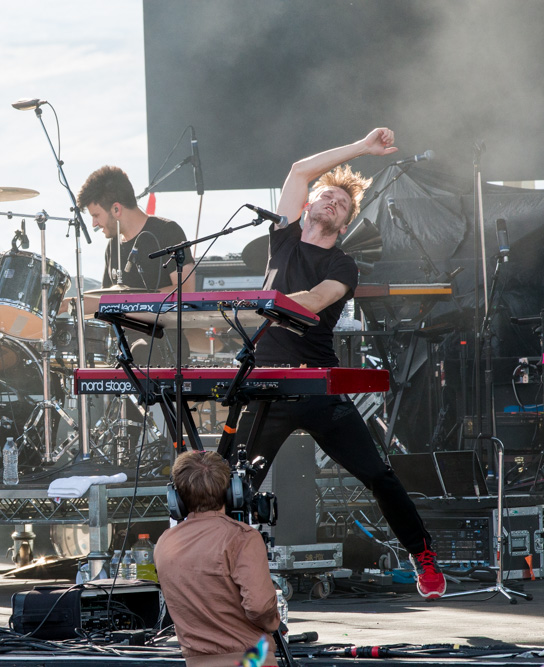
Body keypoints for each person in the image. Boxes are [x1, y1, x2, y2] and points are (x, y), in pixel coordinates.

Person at [230, 128, 446, 599]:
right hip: (268, 386)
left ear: (345, 224)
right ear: (307, 206)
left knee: (378, 474)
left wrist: (262, 303)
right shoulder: (282, 241)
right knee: (232, 483)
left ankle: (422, 553)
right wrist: (362, 149)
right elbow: (298, 171)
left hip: (319, 388)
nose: (331, 201)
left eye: (342, 204)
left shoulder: (343, 265)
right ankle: (214, 569)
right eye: (326, 196)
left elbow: (313, 301)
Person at [155, 450, 280, 667]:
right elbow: (260, 607)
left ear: (176, 498)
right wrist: (273, 622)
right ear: (231, 491)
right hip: (250, 660)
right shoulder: (242, 538)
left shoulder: (165, 542)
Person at [77, 165, 192, 367]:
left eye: (96, 215)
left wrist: (128, 300)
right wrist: (67, 305)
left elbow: (187, 292)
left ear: (116, 209)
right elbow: (106, 302)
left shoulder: (168, 231)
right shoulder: (112, 247)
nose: (94, 223)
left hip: (166, 351)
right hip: (124, 352)